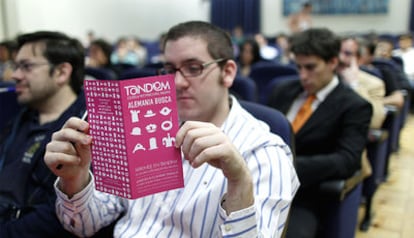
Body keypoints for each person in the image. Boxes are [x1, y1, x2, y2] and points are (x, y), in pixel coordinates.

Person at [44, 21, 299, 237]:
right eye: (169, 69)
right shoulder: (143, 128)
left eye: (193, 68)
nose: (177, 82)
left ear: (228, 72)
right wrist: (75, 179)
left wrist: (239, 182)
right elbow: (87, 225)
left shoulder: (264, 150)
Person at [267, 28, 372, 238]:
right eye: (298, 67)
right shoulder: (283, 90)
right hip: (261, 185)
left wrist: (286, 167)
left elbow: (347, 160)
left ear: (333, 62)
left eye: (311, 67)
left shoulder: (354, 106)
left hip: (306, 195)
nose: (303, 75)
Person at [0, 31, 85, 237]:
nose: (15, 75)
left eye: (26, 66)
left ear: (61, 72)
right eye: (15, 66)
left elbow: (61, 216)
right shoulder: (21, 116)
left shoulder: (86, 129)